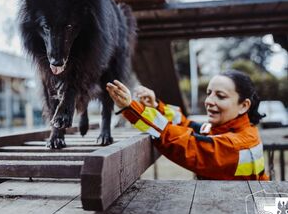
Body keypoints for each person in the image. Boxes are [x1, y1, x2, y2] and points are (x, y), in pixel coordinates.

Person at [106, 69, 269, 181]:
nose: (209, 101)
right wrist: (156, 106)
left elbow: (187, 143)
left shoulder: (236, 145)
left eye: (220, 96)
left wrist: (132, 108)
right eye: (209, 93)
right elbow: (187, 125)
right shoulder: (225, 130)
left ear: (244, 105)